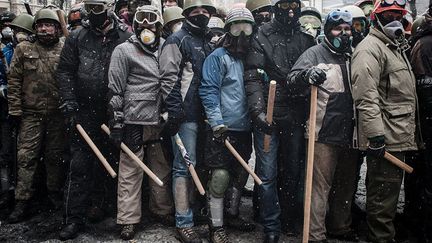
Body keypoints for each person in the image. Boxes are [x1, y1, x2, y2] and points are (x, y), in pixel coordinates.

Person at [56, 0, 132, 239]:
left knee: (113, 162)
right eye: (90, 8)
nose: (94, 13)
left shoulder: (124, 37)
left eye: (99, 7)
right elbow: (65, 70)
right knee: (79, 165)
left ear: (109, 8)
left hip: (114, 109)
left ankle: (105, 208)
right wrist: (69, 100)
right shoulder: (77, 37)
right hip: (84, 110)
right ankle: (74, 218)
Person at [244, 0, 315, 241]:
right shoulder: (261, 35)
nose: (290, 11)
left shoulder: (306, 38)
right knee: (267, 173)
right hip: (269, 114)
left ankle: (288, 218)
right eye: (285, 5)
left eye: (294, 5)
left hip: (295, 116)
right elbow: (252, 76)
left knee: (292, 171)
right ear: (276, 8)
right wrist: (258, 112)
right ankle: (271, 226)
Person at [289, 9, 360, 243]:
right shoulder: (314, 52)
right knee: (319, 187)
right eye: (338, 28)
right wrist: (307, 75)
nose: (344, 33)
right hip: (323, 132)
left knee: (347, 184)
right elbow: (292, 78)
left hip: (350, 132)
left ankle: (340, 226)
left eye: (347, 29)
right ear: (328, 30)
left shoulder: (354, 55)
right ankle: (315, 233)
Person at [351, 1, 418, 242]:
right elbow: (366, 97)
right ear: (376, 18)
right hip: (386, 138)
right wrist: (376, 137)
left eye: (399, 15)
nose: (395, 20)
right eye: (389, 14)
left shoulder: (394, 47)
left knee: (387, 197)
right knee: (382, 201)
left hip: (398, 134)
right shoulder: (370, 48)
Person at [107, 5, 174, 240]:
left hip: (159, 119)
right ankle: (128, 219)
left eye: (151, 24)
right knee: (131, 170)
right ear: (136, 27)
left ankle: (162, 209)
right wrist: (117, 122)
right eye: (142, 24)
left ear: (158, 26)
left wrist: (172, 112)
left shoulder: (168, 48)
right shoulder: (123, 51)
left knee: (160, 166)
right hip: (133, 119)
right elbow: (115, 90)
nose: (147, 28)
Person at [159, 0, 216, 241]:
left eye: (206, 11)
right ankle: (183, 221)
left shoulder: (208, 40)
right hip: (185, 115)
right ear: (186, 14)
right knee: (184, 167)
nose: (201, 15)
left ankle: (194, 210)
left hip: (206, 114)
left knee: (201, 165)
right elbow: (168, 78)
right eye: (196, 11)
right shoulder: (177, 40)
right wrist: (174, 112)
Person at [200, 7, 256, 243]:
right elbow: (209, 90)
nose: (242, 33)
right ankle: (216, 224)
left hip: (245, 127)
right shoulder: (217, 57)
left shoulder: (252, 57)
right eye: (236, 27)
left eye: (246, 27)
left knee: (240, 173)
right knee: (220, 175)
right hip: (222, 128)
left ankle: (231, 214)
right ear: (228, 30)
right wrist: (216, 122)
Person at [6, 8, 65, 223]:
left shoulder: (65, 48)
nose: (44, 29)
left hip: (58, 115)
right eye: (40, 25)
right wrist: (14, 110)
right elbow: (13, 81)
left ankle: (54, 196)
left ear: (57, 28)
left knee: (55, 157)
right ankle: (22, 201)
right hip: (31, 115)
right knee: (26, 158)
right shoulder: (23, 49)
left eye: (49, 25)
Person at [409, 4, 432, 242]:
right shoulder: (424, 45)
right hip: (425, 124)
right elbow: (424, 91)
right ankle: (420, 227)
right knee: (424, 178)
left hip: (423, 122)